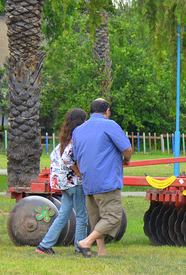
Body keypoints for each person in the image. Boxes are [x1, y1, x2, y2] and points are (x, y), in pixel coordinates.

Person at [72, 99, 133, 257]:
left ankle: (101, 251)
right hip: (106, 180)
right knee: (113, 217)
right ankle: (86, 242)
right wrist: (126, 159)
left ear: (91, 111)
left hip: (88, 181)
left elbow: (76, 157)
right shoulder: (110, 125)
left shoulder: (78, 130)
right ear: (107, 111)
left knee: (96, 218)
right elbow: (127, 148)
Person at [35, 108, 89, 255]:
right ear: (80, 121)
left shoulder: (64, 139)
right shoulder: (75, 139)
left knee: (64, 215)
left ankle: (44, 245)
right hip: (74, 183)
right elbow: (67, 158)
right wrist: (79, 173)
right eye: (85, 119)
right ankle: (80, 246)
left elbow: (55, 157)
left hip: (63, 183)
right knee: (82, 215)